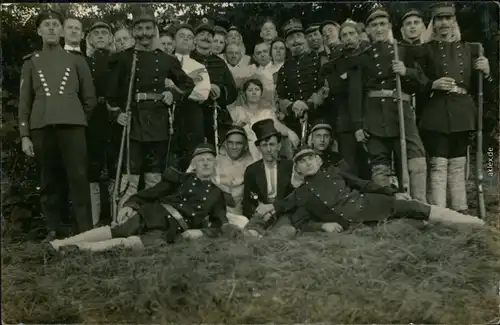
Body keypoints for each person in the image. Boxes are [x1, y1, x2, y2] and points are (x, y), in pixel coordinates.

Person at [47, 143, 239, 253]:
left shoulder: (216, 194)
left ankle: (78, 249)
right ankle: (60, 244)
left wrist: (202, 233)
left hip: (172, 230)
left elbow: (220, 224)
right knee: (117, 230)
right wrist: (131, 204)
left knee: (133, 243)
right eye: (201, 160)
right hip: (155, 213)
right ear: (194, 165)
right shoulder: (179, 178)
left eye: (209, 160)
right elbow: (152, 192)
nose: (205, 163)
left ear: (215, 164)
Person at [264, 147, 485, 233]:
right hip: (355, 225)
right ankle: (447, 229)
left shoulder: (335, 171)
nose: (308, 162)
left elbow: (364, 184)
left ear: (319, 160)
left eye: (311, 157)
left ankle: (472, 224)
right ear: (298, 170)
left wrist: (392, 192)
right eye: (302, 161)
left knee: (417, 208)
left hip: (372, 203)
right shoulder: (301, 194)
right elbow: (298, 220)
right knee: (410, 228)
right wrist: (322, 225)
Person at [106, 5, 195, 211]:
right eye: (139, 29)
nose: (144, 34)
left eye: (148, 28)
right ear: (133, 32)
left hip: (159, 121)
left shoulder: (166, 59)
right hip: (133, 122)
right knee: (131, 173)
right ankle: (123, 217)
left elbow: (187, 84)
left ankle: (151, 218)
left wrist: (172, 95)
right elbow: (110, 96)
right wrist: (117, 114)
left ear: (154, 30)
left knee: (155, 173)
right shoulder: (124, 58)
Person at [19, 9, 97, 241]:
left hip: (73, 127)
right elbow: (24, 102)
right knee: (49, 181)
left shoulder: (76, 60)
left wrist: (75, 117)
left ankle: (84, 231)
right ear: (39, 31)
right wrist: (25, 135)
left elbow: (90, 99)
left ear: (62, 30)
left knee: (78, 178)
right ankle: (56, 230)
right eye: (47, 25)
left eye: (55, 24)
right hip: (42, 128)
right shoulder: (31, 62)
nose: (52, 28)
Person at [416, 2, 494, 211]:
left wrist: (486, 72)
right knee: (438, 163)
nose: (444, 23)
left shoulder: (470, 49)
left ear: (454, 21)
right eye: (439, 19)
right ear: (433, 23)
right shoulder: (425, 51)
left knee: (459, 163)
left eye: (448, 19)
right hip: (437, 110)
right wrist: (432, 84)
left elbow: (485, 89)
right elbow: (415, 80)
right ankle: (439, 210)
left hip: (462, 110)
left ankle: (460, 208)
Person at [349, 7, 428, 203]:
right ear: (367, 30)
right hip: (374, 115)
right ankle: (384, 206)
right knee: (379, 162)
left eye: (382, 24)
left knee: (414, 157)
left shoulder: (404, 51)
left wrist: (406, 72)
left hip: (401, 112)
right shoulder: (361, 58)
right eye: (374, 25)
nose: (378, 28)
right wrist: (358, 125)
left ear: (390, 26)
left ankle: (418, 203)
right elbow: (355, 94)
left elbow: (423, 82)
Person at [323, 18, 371, 179]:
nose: (348, 38)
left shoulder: (368, 55)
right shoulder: (337, 61)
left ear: (358, 35)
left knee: (371, 162)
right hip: (345, 120)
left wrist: (346, 76)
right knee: (350, 164)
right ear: (341, 39)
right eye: (345, 35)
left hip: (369, 116)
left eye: (352, 34)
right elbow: (335, 87)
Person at [187, 125, 255, 228]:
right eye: (230, 143)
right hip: (211, 210)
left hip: (236, 214)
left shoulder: (251, 164)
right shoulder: (214, 160)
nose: (234, 147)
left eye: (238, 143)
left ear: (245, 146)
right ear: (225, 144)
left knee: (243, 223)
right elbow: (190, 176)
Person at [85, 21, 117, 226]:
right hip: (92, 116)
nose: (100, 36)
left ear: (110, 38)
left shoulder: (118, 60)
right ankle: (94, 220)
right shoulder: (85, 62)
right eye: (96, 33)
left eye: (104, 33)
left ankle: (116, 216)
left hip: (114, 116)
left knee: (115, 163)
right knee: (93, 165)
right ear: (89, 38)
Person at [242, 119, 296, 237]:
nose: (269, 149)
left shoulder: (289, 167)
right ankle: (260, 235)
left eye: (272, 144)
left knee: (286, 232)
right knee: (248, 235)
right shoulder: (252, 170)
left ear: (279, 146)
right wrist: (258, 209)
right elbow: (247, 202)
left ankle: (268, 236)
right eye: (264, 145)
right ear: (259, 148)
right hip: (261, 214)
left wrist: (274, 207)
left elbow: (295, 197)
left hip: (283, 213)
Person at [190, 18, 238, 146]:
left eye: (209, 35)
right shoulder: (187, 59)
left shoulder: (220, 63)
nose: (206, 37)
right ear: (194, 39)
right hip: (191, 115)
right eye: (202, 34)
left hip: (216, 115)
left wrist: (220, 91)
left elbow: (233, 91)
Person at [276, 19, 328, 137]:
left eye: (299, 36)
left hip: (319, 120)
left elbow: (325, 88)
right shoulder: (283, 69)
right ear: (286, 44)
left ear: (305, 39)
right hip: (293, 122)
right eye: (291, 38)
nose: (295, 41)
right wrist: (292, 106)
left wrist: (308, 104)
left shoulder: (319, 61)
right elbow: (279, 97)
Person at [229, 77, 299, 160]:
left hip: (264, 149)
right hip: (242, 149)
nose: (254, 93)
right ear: (245, 93)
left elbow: (277, 126)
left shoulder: (267, 113)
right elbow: (230, 131)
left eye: (257, 90)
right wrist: (238, 126)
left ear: (261, 93)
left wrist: (290, 132)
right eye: (250, 90)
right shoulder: (237, 111)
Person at [172, 23, 211, 171]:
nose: (185, 40)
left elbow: (202, 93)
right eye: (181, 36)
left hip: (192, 111)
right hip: (168, 110)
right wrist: (190, 80)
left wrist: (176, 87)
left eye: (189, 37)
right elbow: (163, 84)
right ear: (174, 40)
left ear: (194, 42)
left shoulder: (198, 66)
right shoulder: (165, 62)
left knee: (191, 151)